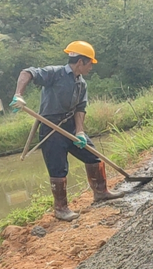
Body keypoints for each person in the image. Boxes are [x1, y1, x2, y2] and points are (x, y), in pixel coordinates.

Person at [10, 41, 124, 222]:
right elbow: (27, 72)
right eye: (90, 64)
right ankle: (61, 209)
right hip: (51, 127)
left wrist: (80, 132)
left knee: (93, 156)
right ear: (80, 62)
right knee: (58, 168)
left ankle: (101, 192)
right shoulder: (55, 73)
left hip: (70, 125)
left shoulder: (81, 84)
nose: (91, 68)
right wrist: (19, 95)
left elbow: (81, 108)